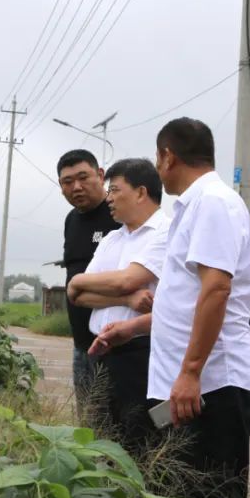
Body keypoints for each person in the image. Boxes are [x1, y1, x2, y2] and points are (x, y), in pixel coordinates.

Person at [92, 118, 250, 498]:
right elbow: (184, 302)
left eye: (157, 156)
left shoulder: (213, 203)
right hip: (190, 389)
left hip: (212, 386)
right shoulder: (193, 208)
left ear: (168, 156)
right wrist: (130, 329)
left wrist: (190, 372)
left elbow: (217, 290)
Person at [68, 158, 169, 457]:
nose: (108, 198)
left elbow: (127, 280)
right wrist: (122, 298)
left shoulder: (165, 231)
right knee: (101, 443)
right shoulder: (113, 238)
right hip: (103, 356)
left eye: (114, 189)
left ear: (140, 192)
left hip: (142, 354)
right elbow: (79, 295)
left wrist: (84, 281)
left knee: (139, 443)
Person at [58, 149, 121, 414]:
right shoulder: (71, 220)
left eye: (83, 177)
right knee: (87, 426)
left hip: (116, 345)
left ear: (101, 175)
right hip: (81, 346)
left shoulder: (119, 214)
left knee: (117, 426)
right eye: (67, 181)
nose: (76, 187)